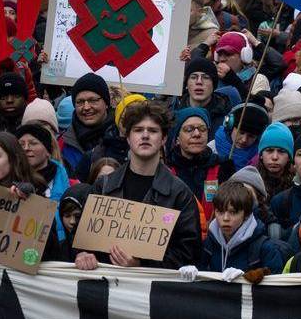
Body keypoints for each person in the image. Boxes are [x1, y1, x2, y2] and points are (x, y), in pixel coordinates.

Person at [80, 100, 205, 270]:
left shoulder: (180, 194)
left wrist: (141, 264)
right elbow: (83, 240)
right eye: (138, 130)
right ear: (128, 137)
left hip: (152, 292)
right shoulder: (103, 187)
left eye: (153, 131)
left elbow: (189, 255)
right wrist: (82, 254)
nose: (145, 135)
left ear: (164, 139)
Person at [199, 180, 284, 276]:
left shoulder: (266, 249)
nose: (225, 218)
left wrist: (245, 277)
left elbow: (275, 289)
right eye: (220, 212)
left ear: (247, 214)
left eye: (233, 212)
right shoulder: (207, 245)